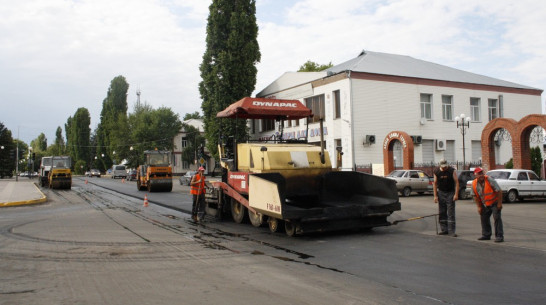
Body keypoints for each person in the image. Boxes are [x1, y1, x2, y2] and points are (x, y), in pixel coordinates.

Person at [471, 167, 504, 242]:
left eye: (482, 173)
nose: (481, 175)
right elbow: (475, 196)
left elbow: (499, 191)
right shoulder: (474, 183)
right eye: (479, 174)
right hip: (485, 204)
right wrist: (479, 207)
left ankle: (499, 236)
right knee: (484, 218)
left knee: (497, 218)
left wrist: (499, 203)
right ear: (475, 175)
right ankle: (486, 234)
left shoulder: (489, 180)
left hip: (494, 202)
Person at [433, 159, 459, 237]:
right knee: (442, 212)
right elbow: (435, 183)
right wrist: (435, 196)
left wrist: (456, 194)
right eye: (443, 167)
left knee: (451, 213)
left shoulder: (451, 171)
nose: (444, 168)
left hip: (450, 193)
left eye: (445, 166)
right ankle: (444, 230)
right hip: (441, 192)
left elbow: (457, 182)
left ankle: (452, 231)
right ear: (440, 165)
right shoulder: (436, 171)